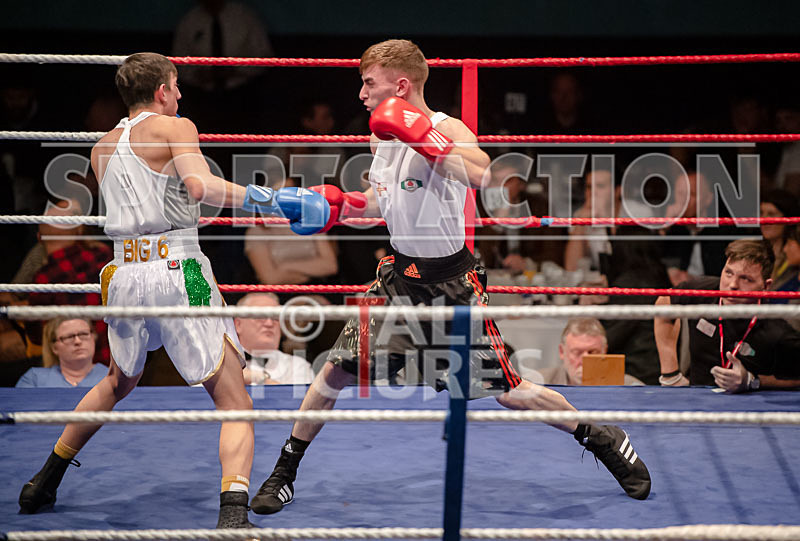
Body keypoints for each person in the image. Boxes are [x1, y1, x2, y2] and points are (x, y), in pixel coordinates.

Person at [249, 40, 651, 517]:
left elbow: (488, 178)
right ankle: (284, 472)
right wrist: (335, 206)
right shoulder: (380, 138)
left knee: (510, 392)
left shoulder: (445, 128)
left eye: (368, 83)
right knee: (336, 368)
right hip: (398, 279)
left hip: (451, 285)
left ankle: (600, 436)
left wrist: (424, 139)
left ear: (400, 86)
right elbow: (379, 204)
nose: (359, 95)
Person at [17, 52, 330, 528]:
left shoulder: (102, 147)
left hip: (124, 274)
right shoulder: (175, 126)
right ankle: (232, 516)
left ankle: (43, 480)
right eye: (177, 86)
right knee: (234, 400)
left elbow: (160, 202)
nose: (180, 95)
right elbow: (200, 187)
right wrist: (272, 199)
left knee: (118, 381)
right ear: (162, 90)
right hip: (178, 270)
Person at [654, 239, 800, 391]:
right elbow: (664, 302)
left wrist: (753, 381)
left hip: (750, 409)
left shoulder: (776, 329)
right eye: (729, 273)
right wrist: (670, 374)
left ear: (765, 286)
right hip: (697, 401)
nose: (732, 285)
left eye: (745, 278)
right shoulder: (702, 291)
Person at [235, 293, 314, 385]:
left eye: (275, 317)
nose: (269, 323)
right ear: (238, 324)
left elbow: (296, 399)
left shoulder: (297, 366)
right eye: (260, 316)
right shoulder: (222, 363)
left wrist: (259, 378)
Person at [541, 317, 643, 386]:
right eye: (577, 352)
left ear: (604, 351)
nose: (584, 360)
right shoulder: (539, 383)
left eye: (593, 352)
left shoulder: (631, 388)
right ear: (562, 352)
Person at [16, 318, 107, 388]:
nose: (77, 341)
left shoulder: (113, 379)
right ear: (54, 347)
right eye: (69, 337)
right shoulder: (34, 379)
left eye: (83, 334)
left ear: (93, 337)